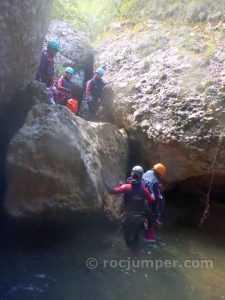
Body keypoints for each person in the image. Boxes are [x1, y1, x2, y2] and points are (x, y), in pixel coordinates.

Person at [104, 166, 155, 248]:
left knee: (127, 237)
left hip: (129, 217)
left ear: (132, 174)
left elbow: (111, 191)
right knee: (136, 236)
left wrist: (104, 181)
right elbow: (152, 200)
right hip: (140, 218)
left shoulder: (126, 187)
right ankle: (136, 254)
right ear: (141, 176)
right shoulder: (144, 189)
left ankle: (130, 252)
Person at [142, 163, 166, 242]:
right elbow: (156, 197)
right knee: (160, 201)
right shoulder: (156, 182)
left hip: (137, 195)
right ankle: (149, 237)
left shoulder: (147, 173)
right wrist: (157, 212)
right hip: (146, 201)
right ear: (159, 173)